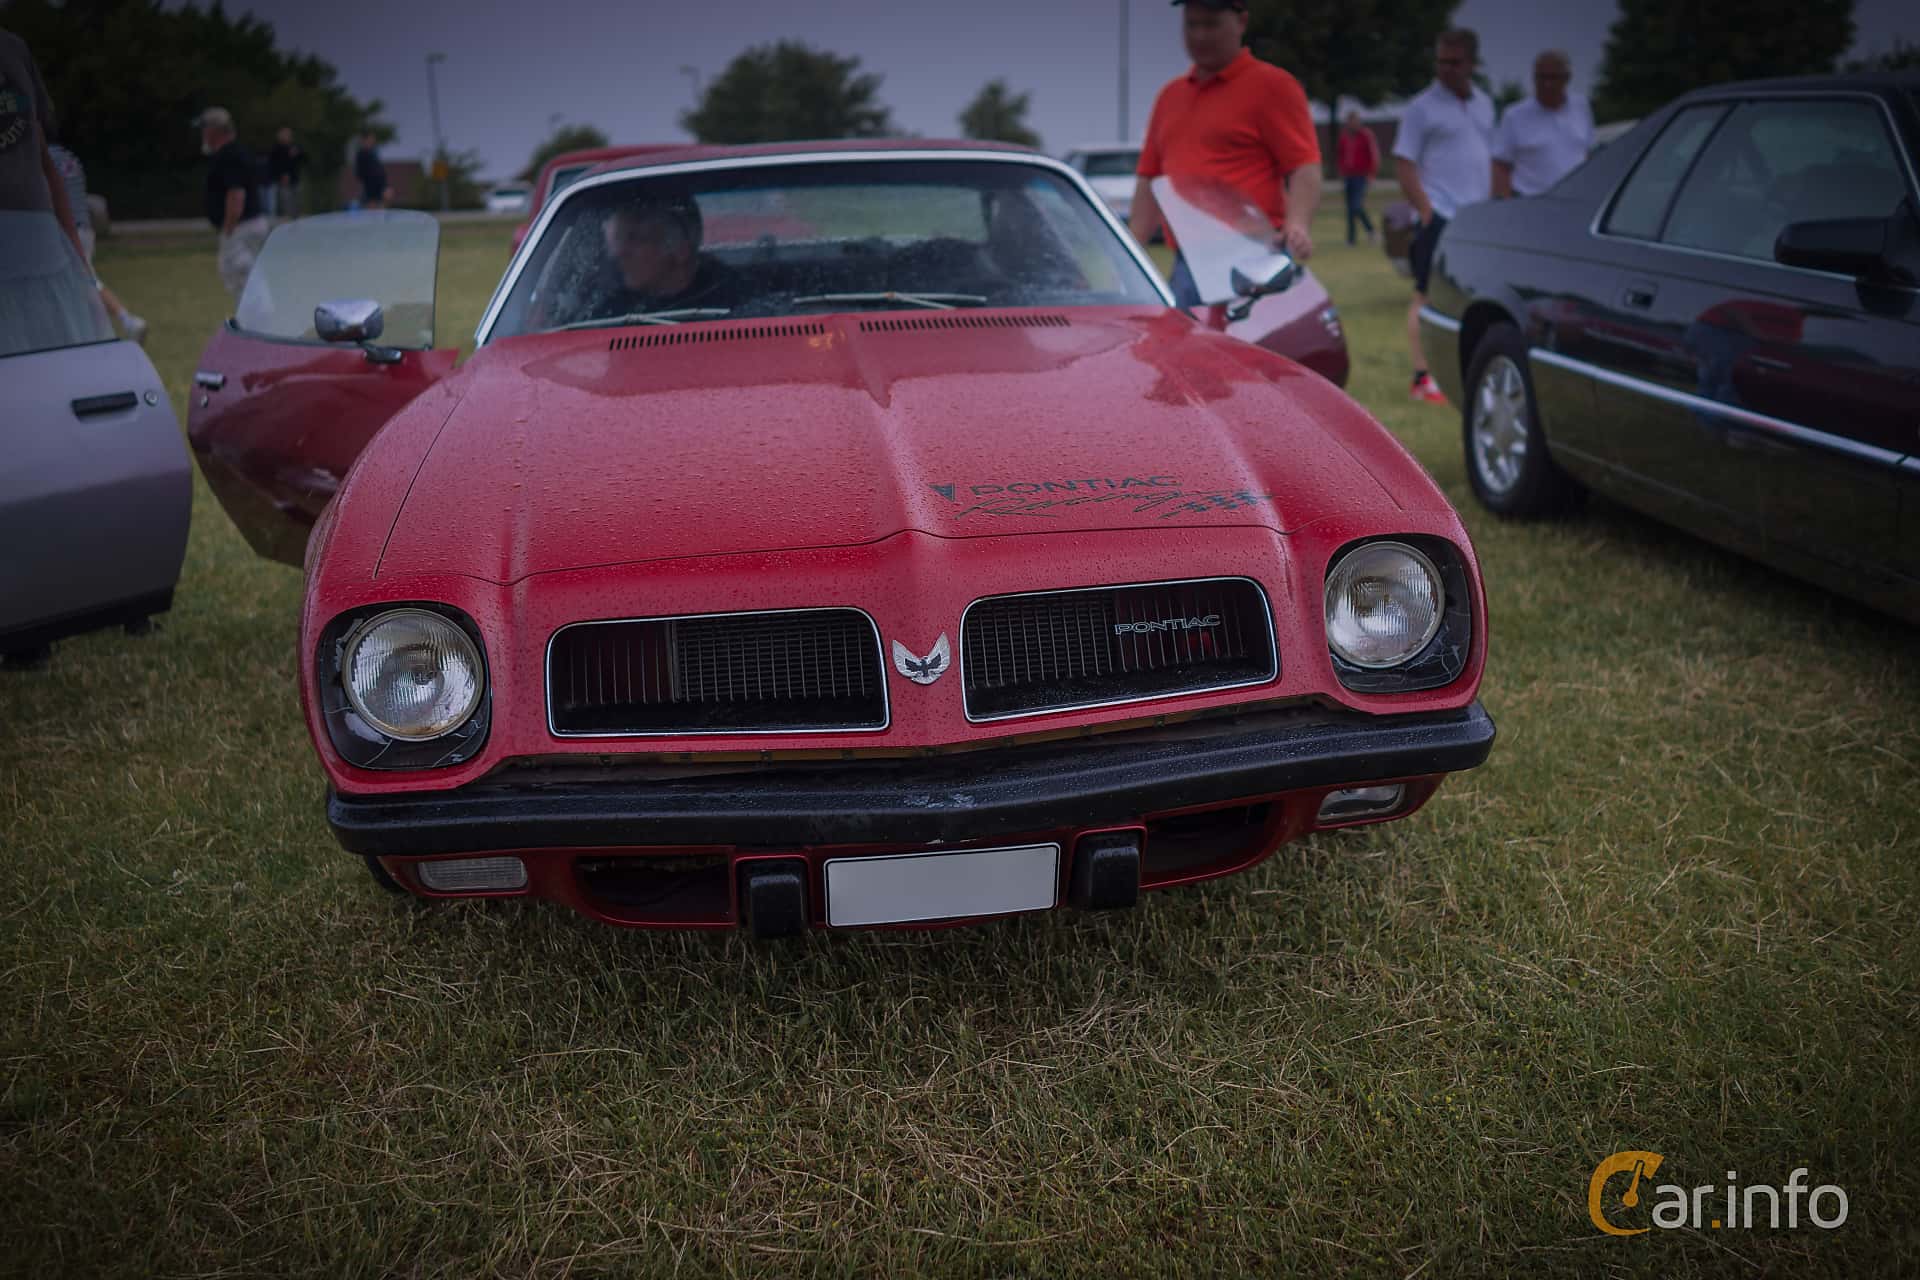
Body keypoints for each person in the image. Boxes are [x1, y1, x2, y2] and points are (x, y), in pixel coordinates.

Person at [1128, 0, 1321, 307]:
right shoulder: (1170, 97)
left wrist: (1297, 223)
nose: (1201, 36)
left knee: (1248, 353)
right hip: (1187, 264)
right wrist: (1127, 251)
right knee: (1181, 352)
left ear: (1241, 22)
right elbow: (1150, 180)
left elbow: (1304, 166)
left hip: (1253, 263)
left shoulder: (1273, 86)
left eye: (1211, 25)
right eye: (1193, 25)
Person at [1393, 28, 1494, 405]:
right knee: (1425, 295)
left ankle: (1464, 371)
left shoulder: (1485, 103)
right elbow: (1404, 162)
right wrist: (1425, 210)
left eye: (1455, 62)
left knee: (1472, 299)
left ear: (1471, 63)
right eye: (1441, 62)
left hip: (1476, 219)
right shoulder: (1422, 108)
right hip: (1440, 215)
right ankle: (1423, 378)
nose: (1446, 69)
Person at [0, 26, 112, 357]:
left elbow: (45, 164)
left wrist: (84, 274)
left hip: (43, 255)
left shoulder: (13, 48)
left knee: (62, 377)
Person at [49, 141, 146, 342]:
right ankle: (122, 322)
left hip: (66, 230)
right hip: (84, 227)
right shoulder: (69, 158)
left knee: (85, 282)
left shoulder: (43, 158)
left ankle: (114, 328)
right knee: (87, 280)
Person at [593, 194, 741, 317]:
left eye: (635, 239)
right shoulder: (611, 313)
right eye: (620, 241)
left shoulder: (736, 300)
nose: (619, 253)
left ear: (680, 249)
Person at [1492, 50, 1594, 199]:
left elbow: (1587, 154)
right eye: (1541, 77)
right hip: (1530, 202)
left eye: (1553, 77)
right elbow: (1500, 165)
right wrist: (1504, 205)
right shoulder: (1514, 115)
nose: (1547, 84)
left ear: (1567, 78)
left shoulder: (1582, 107)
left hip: (1575, 200)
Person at [199, 106, 268, 300]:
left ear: (214, 130)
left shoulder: (228, 155)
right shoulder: (237, 151)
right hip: (249, 224)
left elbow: (236, 195)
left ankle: (256, 324)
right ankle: (257, 320)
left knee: (238, 275)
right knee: (247, 277)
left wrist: (228, 229)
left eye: (204, 128)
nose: (202, 133)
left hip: (240, 226)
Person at [1337, 111, 1380, 245]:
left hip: (1361, 176)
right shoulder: (1344, 136)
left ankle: (1371, 230)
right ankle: (1351, 238)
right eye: (1350, 121)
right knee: (1350, 208)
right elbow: (1340, 155)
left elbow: (1374, 156)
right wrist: (1341, 172)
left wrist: (1371, 175)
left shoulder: (1366, 136)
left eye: (1354, 121)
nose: (1352, 124)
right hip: (1348, 176)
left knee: (1356, 206)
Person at [266, 125, 305, 218]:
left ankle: (296, 217)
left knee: (297, 200)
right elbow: (273, 164)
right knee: (286, 201)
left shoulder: (295, 146)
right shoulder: (276, 149)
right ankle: (288, 218)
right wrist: (280, 175)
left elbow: (304, 159)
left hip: (295, 178)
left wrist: (298, 152)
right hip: (283, 180)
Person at [354, 131, 388, 210]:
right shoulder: (361, 155)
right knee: (371, 212)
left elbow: (380, 171)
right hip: (369, 190)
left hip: (378, 189)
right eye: (370, 139)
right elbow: (360, 174)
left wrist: (384, 186)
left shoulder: (373, 153)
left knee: (380, 211)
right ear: (364, 140)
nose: (373, 141)